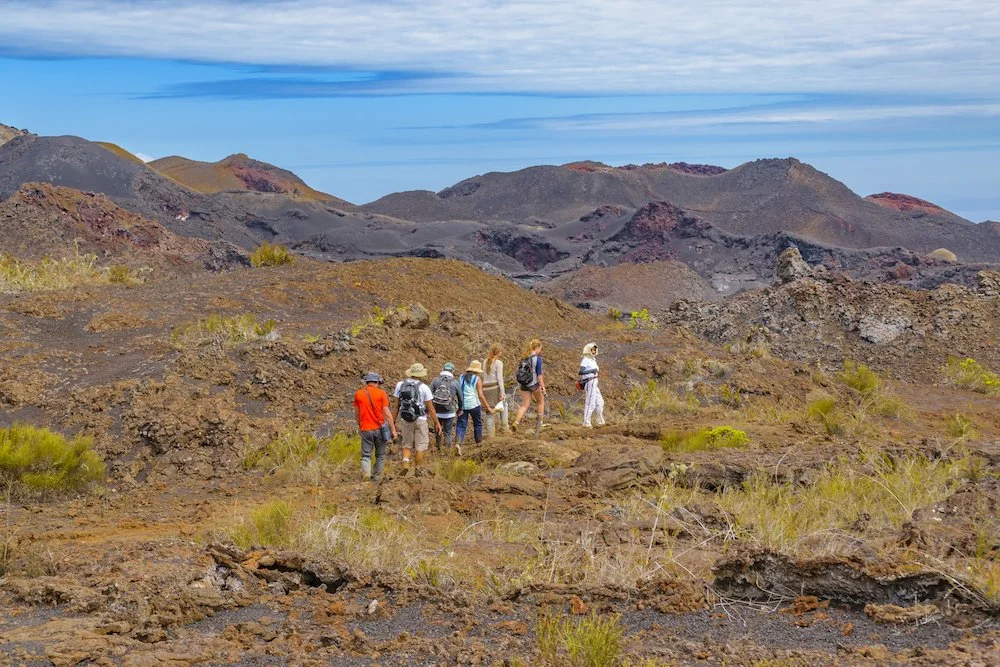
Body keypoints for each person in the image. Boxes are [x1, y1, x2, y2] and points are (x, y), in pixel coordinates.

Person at [392, 363, 443, 468]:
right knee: (420, 446)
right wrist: (437, 423)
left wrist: (393, 421)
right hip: (420, 419)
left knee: (407, 444)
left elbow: (396, 406)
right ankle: (418, 470)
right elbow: (431, 408)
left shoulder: (400, 385)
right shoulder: (424, 387)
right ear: (421, 374)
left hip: (405, 419)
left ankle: (405, 463)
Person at [353, 372, 397, 482]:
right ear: (377, 382)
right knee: (380, 454)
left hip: (366, 429)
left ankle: (366, 475)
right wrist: (393, 430)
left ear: (367, 382)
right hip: (380, 429)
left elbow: (357, 414)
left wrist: (361, 426)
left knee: (365, 455)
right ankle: (377, 477)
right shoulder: (381, 393)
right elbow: (387, 413)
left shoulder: (358, 394)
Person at [455, 360, 493, 450]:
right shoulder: (477, 379)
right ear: (477, 371)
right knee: (477, 424)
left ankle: (458, 443)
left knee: (461, 425)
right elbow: (480, 394)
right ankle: (479, 443)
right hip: (474, 404)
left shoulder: (461, 377)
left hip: (462, 405)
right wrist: (488, 407)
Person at [512, 339, 545, 436]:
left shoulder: (524, 357)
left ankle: (516, 422)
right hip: (533, 384)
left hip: (524, 384)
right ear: (537, 347)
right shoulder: (537, 358)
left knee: (525, 405)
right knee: (540, 401)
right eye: (540, 348)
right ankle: (540, 423)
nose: (540, 350)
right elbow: (539, 374)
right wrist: (542, 386)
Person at [430, 362, 463, 453]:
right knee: (447, 432)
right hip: (449, 412)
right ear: (453, 371)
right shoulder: (455, 382)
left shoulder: (435, 380)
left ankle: (438, 448)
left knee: (437, 429)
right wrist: (460, 409)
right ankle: (447, 452)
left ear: (442, 369)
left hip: (436, 412)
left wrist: (429, 409)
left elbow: (428, 395)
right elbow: (460, 397)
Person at [483, 343, 509, 437]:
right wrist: (502, 392)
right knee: (504, 405)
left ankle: (491, 435)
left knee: (489, 411)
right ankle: (504, 428)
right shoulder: (499, 363)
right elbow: (499, 379)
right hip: (494, 387)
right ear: (498, 352)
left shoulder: (485, 361)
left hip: (485, 388)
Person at [579, 342, 606, 427]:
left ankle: (600, 421)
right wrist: (591, 371)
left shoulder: (593, 359)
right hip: (590, 381)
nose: (594, 351)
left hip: (595, 381)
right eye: (592, 350)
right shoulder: (585, 359)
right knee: (591, 402)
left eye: (594, 350)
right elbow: (581, 371)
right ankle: (586, 423)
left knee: (600, 402)